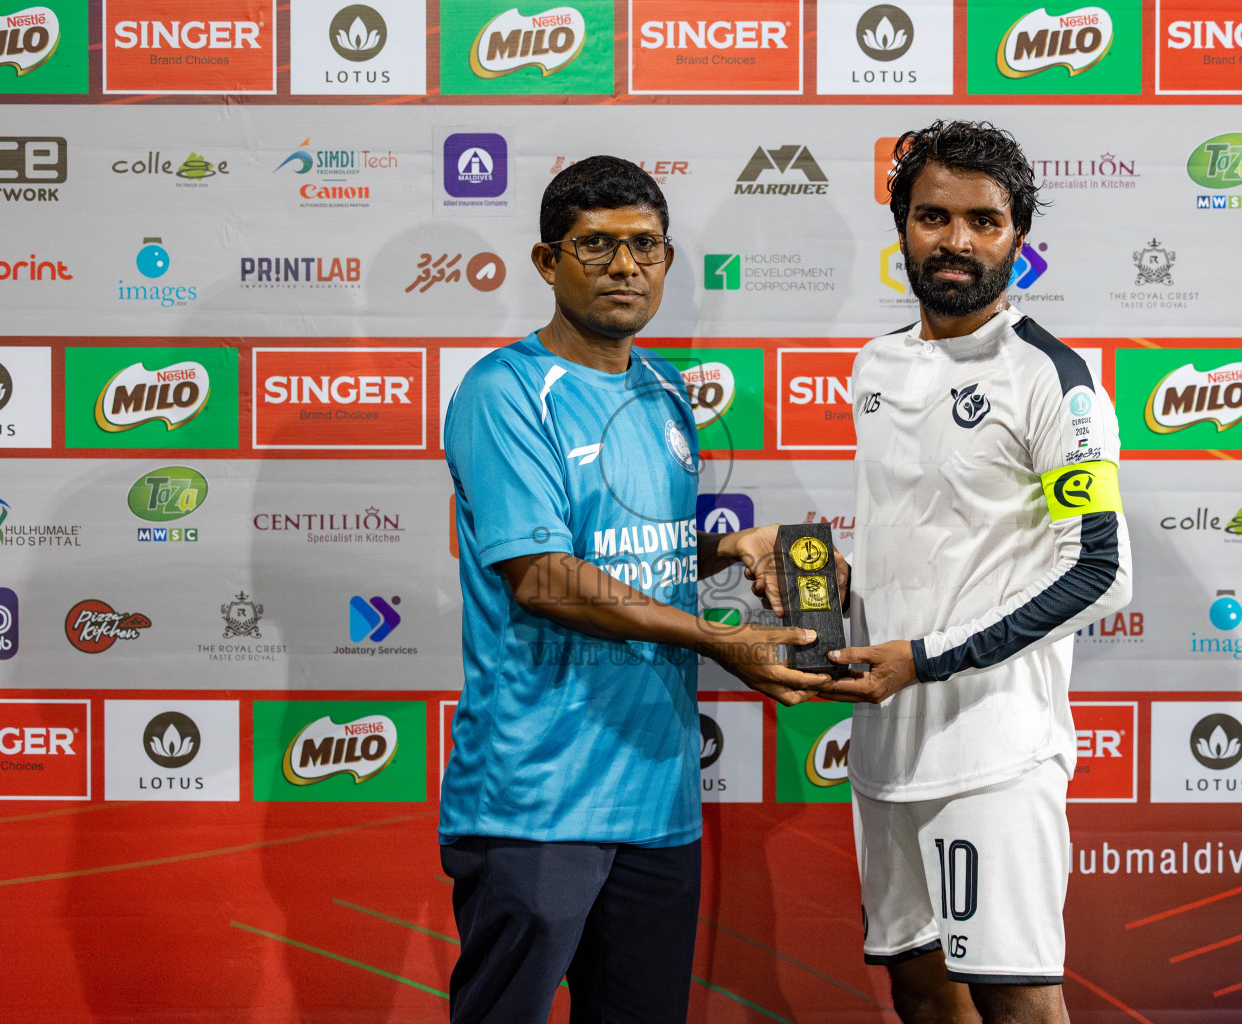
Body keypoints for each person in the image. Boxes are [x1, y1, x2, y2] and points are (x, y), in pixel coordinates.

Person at [438, 155, 837, 1024]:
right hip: (537, 798)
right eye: (597, 247)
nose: (626, 267)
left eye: (646, 246)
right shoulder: (504, 392)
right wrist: (721, 642)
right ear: (548, 263)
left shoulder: (662, 389)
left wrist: (731, 546)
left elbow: (632, 559)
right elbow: (542, 576)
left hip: (659, 795)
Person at [822, 120, 1133, 1024]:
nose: (957, 241)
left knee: (1019, 1005)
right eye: (933, 217)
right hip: (885, 746)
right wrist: (837, 585)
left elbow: (1101, 573)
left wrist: (923, 658)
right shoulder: (874, 364)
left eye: (983, 221)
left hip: (996, 750)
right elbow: (921, 536)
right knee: (920, 992)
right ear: (902, 227)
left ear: (1016, 239)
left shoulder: (1053, 379)